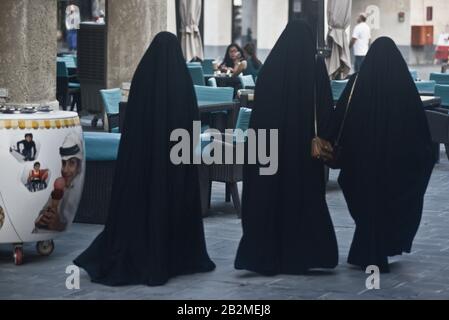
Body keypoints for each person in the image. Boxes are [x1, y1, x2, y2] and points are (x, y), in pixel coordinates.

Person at [74, 32, 216, 287]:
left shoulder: (142, 79)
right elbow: (192, 122)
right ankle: (175, 257)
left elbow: (131, 123)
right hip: (175, 161)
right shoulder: (182, 82)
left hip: (143, 163)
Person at [234, 20, 339, 276]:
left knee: (269, 200)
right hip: (303, 155)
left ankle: (266, 254)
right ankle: (301, 254)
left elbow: (258, 118)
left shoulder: (271, 69)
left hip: (269, 152)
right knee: (302, 199)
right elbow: (325, 112)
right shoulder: (314, 69)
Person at [324, 37, 435, 273]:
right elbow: (420, 131)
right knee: (386, 204)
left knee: (367, 206)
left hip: (359, 163)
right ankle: (380, 246)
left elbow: (339, 118)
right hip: (396, 167)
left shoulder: (358, 83)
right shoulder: (403, 85)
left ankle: (366, 249)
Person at [34, 133, 84, 233]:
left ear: (79, 166)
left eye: (72, 163)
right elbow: (44, 211)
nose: (65, 170)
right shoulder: (60, 185)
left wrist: (59, 225)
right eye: (63, 163)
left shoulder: (78, 190)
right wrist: (42, 219)